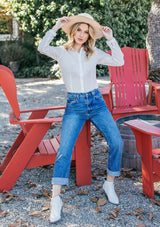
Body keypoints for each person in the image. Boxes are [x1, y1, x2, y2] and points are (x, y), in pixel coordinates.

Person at [38, 13, 124, 223]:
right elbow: (42, 47)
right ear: (73, 30)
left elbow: (119, 61)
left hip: (96, 103)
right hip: (75, 106)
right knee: (64, 151)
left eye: (86, 32)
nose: (82, 34)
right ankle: (56, 199)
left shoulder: (94, 53)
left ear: (89, 36)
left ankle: (109, 183)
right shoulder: (62, 52)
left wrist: (111, 38)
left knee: (117, 142)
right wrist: (56, 26)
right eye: (79, 30)